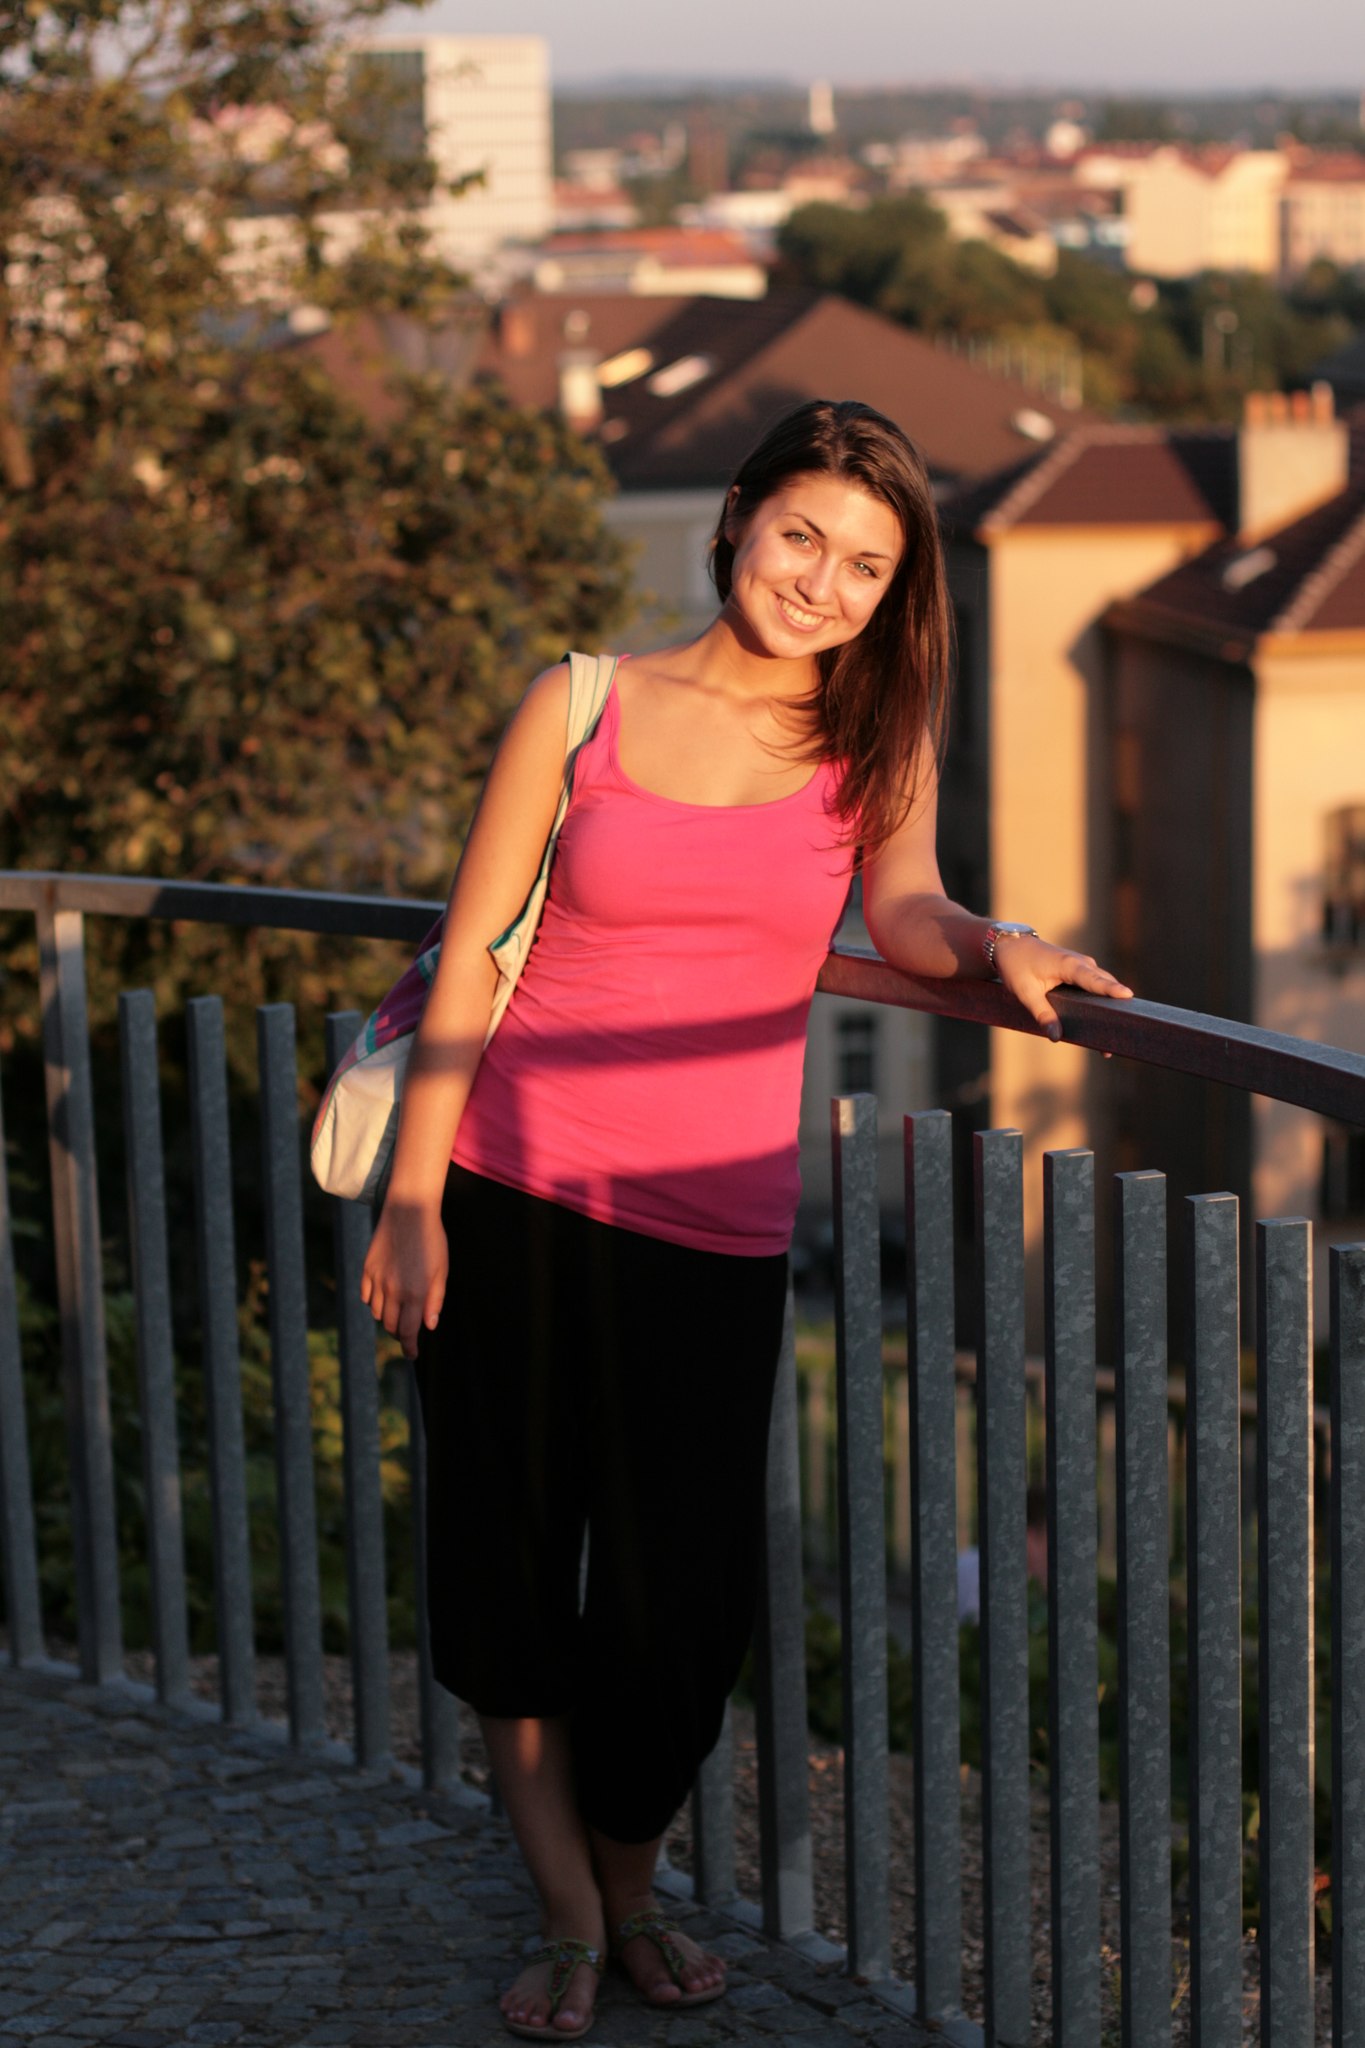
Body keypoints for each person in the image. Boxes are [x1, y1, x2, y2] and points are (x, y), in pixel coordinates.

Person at [359, 398, 1132, 2041]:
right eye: (800, 537)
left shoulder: (873, 739)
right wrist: (412, 1198)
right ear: (736, 519)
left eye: (865, 564)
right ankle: (578, 1911)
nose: (822, 583)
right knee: (507, 1571)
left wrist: (999, 942)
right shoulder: (582, 705)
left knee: (676, 1612)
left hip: (706, 1233)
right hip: (505, 1193)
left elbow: (901, 910)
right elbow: (474, 954)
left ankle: (627, 1877)